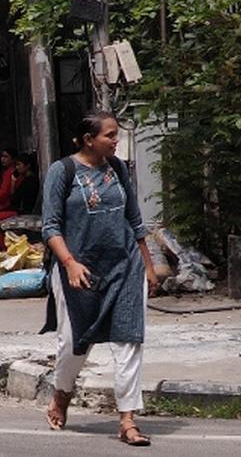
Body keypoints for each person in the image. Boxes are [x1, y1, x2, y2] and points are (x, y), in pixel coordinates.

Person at [40, 111, 158, 446]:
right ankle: (62, 394)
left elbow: (134, 220)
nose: (115, 140)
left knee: (129, 341)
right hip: (79, 270)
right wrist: (70, 263)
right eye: (110, 135)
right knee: (73, 343)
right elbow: (50, 226)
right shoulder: (62, 172)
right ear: (89, 139)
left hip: (124, 267)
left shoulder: (118, 168)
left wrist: (148, 266)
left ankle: (128, 421)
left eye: (116, 135)